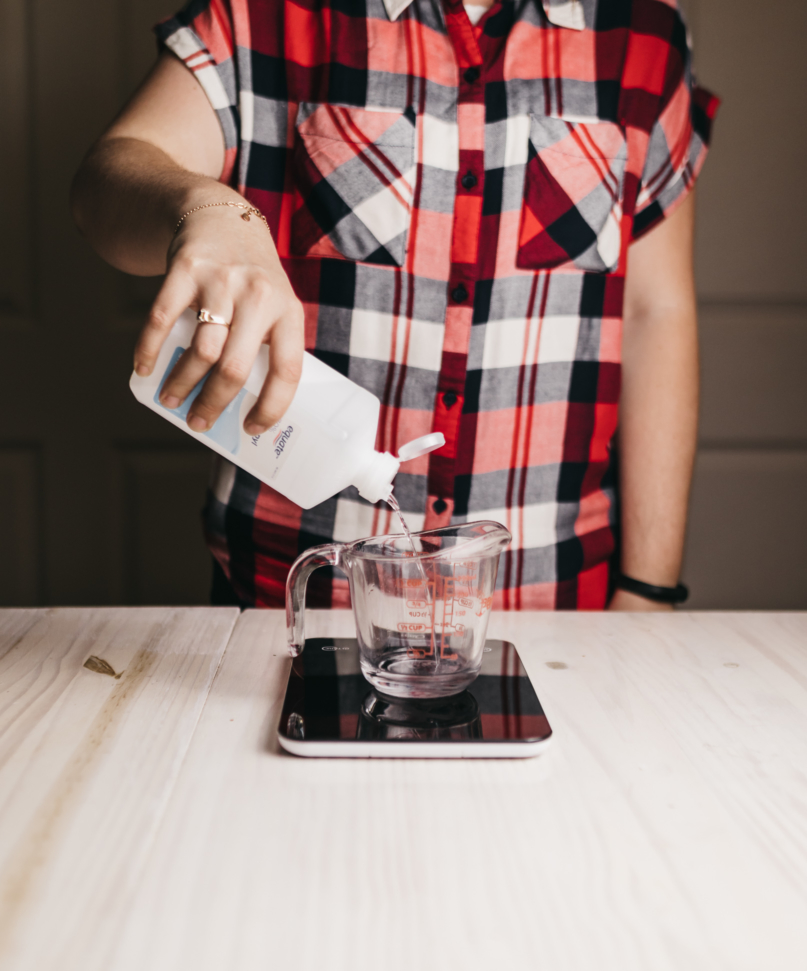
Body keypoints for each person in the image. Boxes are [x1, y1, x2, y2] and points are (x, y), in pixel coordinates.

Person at [71, 0, 717, 611]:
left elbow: (653, 312)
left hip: (565, 611)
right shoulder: (265, 15)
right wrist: (205, 210)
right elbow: (108, 178)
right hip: (283, 603)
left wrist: (648, 589)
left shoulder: (642, 31)